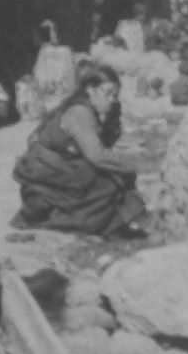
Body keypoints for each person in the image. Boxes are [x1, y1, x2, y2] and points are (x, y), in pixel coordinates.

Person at [12, 62, 148, 238]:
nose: (111, 100)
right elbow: (96, 155)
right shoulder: (80, 112)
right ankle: (66, 222)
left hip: (54, 169)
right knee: (109, 184)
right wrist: (136, 163)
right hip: (47, 173)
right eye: (107, 94)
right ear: (90, 89)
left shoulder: (87, 108)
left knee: (110, 177)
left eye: (114, 96)